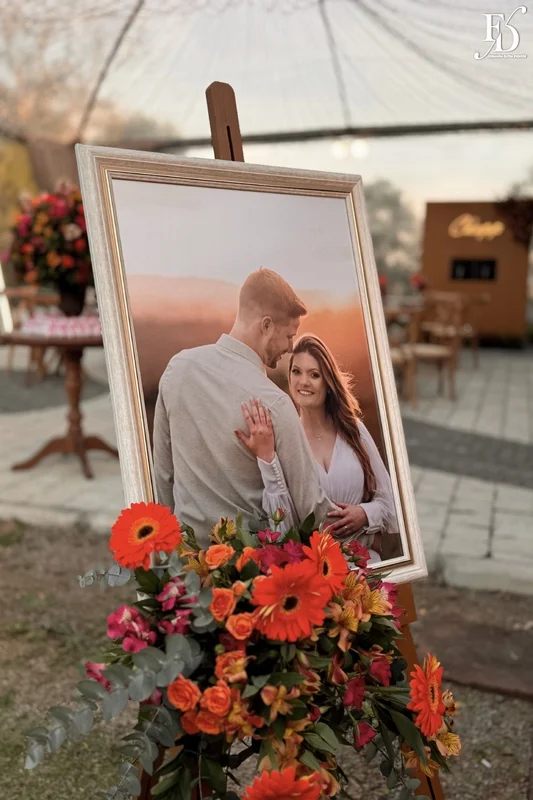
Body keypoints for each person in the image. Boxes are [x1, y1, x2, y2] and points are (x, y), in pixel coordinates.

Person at [152, 268, 336, 548]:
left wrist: (168, 562)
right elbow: (311, 511)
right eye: (289, 336)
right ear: (266, 326)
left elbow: (163, 477)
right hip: (248, 575)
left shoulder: (178, 367)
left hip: (186, 563)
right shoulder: (275, 404)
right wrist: (369, 519)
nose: (289, 348)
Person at [238, 334, 399, 561]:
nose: (303, 382)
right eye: (296, 372)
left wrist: (365, 513)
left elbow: (391, 502)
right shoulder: (286, 440)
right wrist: (267, 459)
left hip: (364, 564)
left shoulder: (354, 431)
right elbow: (281, 526)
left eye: (314, 375)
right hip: (315, 572)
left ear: (329, 382)